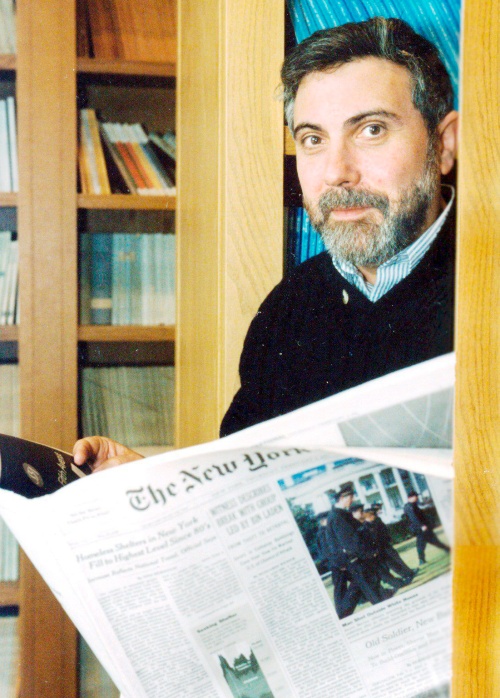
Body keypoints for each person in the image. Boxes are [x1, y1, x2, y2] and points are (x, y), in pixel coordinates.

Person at [72, 17, 458, 470]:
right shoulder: (288, 306)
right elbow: (241, 483)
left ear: (444, 145)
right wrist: (146, 481)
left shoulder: (486, 291)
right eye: (313, 139)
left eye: (371, 130)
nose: (336, 172)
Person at [324, 485, 389, 618]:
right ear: (342, 498)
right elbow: (350, 541)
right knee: (367, 586)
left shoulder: (340, 514)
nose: (352, 500)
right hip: (354, 559)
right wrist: (368, 553)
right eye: (350, 497)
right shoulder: (337, 516)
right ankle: (343, 616)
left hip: (352, 559)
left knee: (362, 586)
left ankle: (343, 615)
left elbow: (358, 532)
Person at [403, 490, 450, 565]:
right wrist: (421, 526)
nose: (417, 497)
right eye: (416, 496)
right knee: (421, 544)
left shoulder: (413, 505)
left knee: (431, 541)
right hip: (420, 529)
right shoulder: (409, 507)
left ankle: (447, 549)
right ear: (410, 497)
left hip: (422, 528)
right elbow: (413, 518)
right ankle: (422, 560)